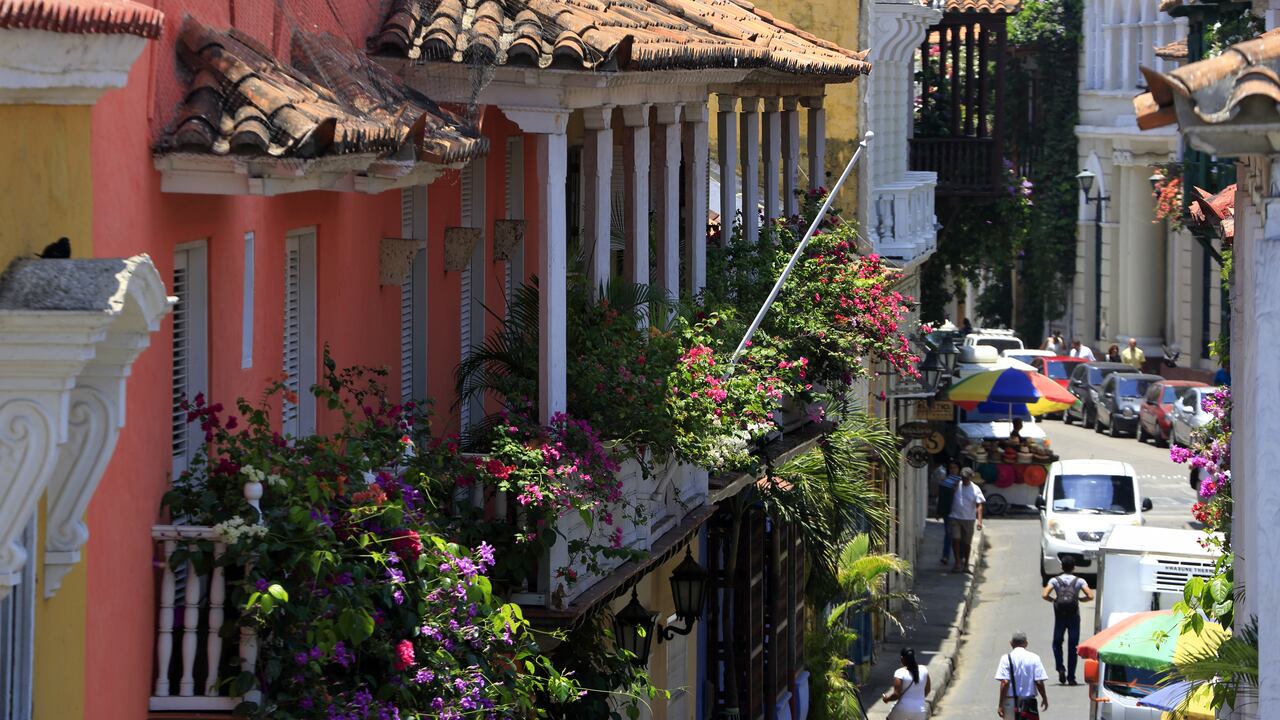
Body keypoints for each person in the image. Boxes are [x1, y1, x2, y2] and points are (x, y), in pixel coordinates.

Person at [1042, 556, 1094, 685]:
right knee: (1073, 646)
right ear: (1074, 567)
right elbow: (1090, 596)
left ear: (1061, 567)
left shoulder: (1054, 580)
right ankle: (1071, 677)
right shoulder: (1079, 581)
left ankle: (1060, 668)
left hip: (1060, 616)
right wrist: (1080, 599)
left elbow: (1044, 594)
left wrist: (1054, 600)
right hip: (1073, 616)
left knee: (1057, 643)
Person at [995, 631, 1049, 719]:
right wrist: (1044, 698)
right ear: (1026, 643)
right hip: (1029, 704)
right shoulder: (1034, 658)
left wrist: (1000, 705)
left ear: (1011, 643)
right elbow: (1039, 682)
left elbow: (1005, 683)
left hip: (1011, 703)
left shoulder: (1006, 659)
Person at [948, 467, 984, 573]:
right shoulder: (956, 485)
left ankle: (966, 564)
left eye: (966, 479)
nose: (964, 481)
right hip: (955, 517)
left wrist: (979, 521)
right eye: (963, 478)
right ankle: (957, 562)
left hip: (969, 519)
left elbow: (979, 506)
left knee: (967, 543)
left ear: (970, 478)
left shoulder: (976, 489)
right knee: (956, 539)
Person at [882, 647, 931, 719]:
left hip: (902, 709)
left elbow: (896, 695)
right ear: (914, 657)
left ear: (902, 659)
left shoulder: (900, 672)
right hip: (920, 711)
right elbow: (927, 690)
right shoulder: (924, 669)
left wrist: (887, 699)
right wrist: (918, 698)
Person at [938, 462, 961, 565]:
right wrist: (939, 512)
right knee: (948, 535)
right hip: (948, 512)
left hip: (960, 512)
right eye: (951, 468)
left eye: (955, 467)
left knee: (959, 537)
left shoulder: (962, 482)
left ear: (959, 469)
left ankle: (960, 557)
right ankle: (945, 556)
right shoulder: (945, 482)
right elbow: (941, 498)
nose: (953, 470)